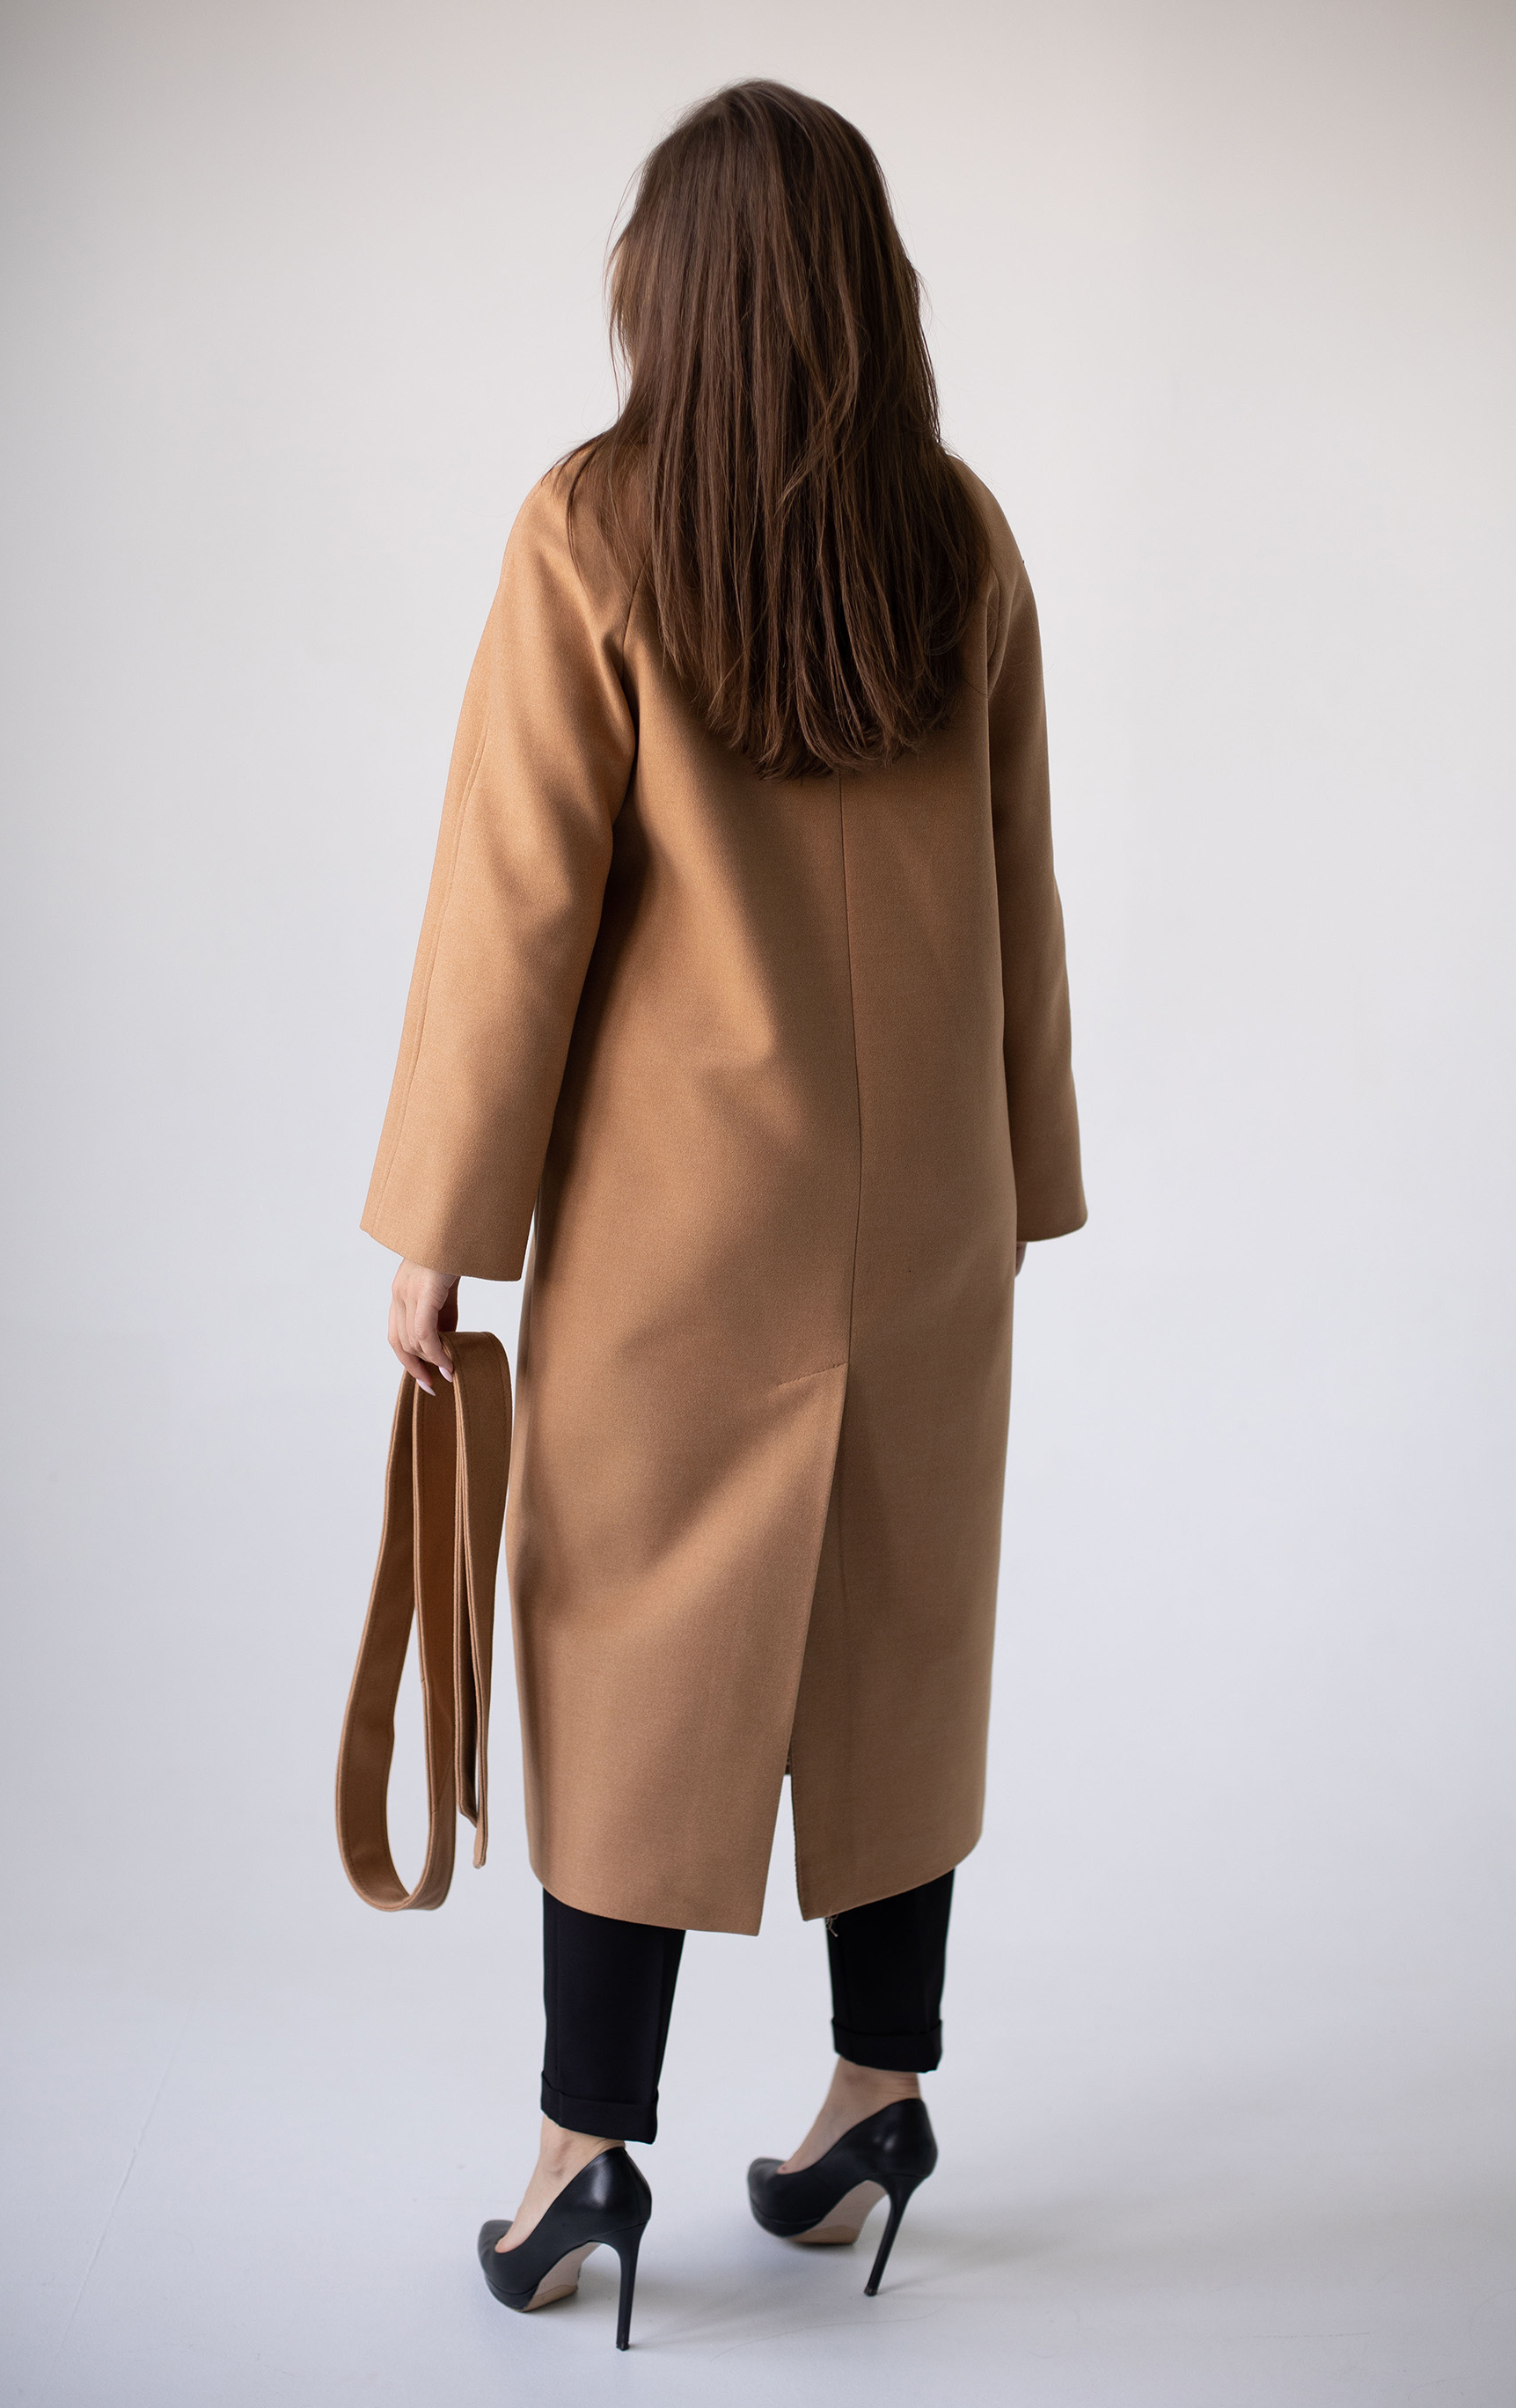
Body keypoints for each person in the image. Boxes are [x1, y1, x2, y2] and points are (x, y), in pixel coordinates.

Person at [363, 79, 1085, 2350]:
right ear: (871, 286)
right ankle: (880, 2098)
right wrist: (1027, 1175)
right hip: (927, 1216)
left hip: (683, 1231)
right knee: (898, 1646)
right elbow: (1019, 888)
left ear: (661, 289)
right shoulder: (958, 536)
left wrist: (437, 1227)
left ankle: (584, 2155)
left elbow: (515, 908)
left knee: (627, 1652)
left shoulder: (596, 527)